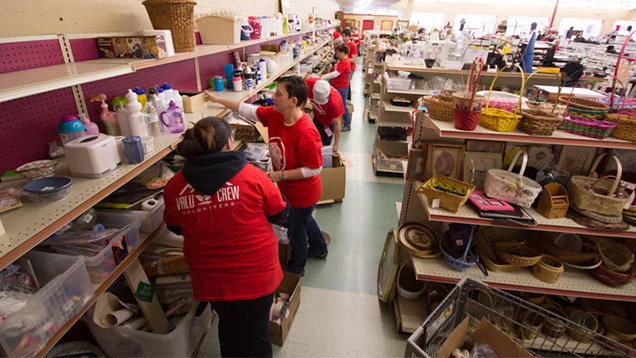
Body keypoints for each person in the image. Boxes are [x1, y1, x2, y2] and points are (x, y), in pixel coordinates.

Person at [163, 117, 289, 358]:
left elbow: (175, 226)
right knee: (256, 334)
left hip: (211, 279)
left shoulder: (175, 187)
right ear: (229, 143)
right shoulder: (252, 176)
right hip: (256, 275)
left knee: (229, 328)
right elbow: (281, 214)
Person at [204, 76, 328, 276]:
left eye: (278, 94)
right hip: (290, 190)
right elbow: (248, 110)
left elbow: (315, 168)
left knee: (297, 231)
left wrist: (282, 175)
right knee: (302, 220)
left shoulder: (306, 132)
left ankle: (296, 269)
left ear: (293, 101)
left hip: (304, 194)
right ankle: (320, 248)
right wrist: (218, 100)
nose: (273, 96)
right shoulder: (277, 115)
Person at [306, 77, 344, 151]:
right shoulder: (309, 83)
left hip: (328, 124)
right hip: (317, 117)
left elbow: (337, 124)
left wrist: (336, 144)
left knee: (325, 145)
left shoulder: (336, 102)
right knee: (313, 139)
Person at [322, 43, 352, 132]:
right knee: (335, 104)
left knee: (343, 105)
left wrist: (322, 77)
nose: (337, 55)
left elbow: (336, 73)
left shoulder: (345, 62)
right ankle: (334, 122)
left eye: (338, 53)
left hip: (342, 87)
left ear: (343, 52)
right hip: (337, 86)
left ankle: (347, 124)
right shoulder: (341, 60)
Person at [341, 28, 358, 101]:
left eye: (346, 36)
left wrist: (344, 59)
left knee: (345, 83)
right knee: (347, 82)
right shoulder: (342, 45)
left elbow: (354, 60)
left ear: (349, 37)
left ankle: (345, 99)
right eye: (343, 36)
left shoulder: (353, 46)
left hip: (351, 68)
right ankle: (348, 98)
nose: (344, 38)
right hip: (344, 67)